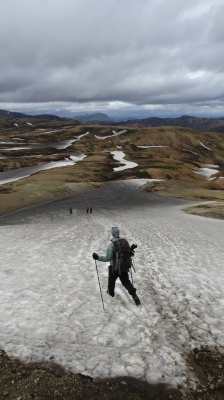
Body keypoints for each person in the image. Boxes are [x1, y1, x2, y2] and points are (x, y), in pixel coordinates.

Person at [92, 227, 140, 306]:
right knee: (126, 281)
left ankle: (111, 294)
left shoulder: (111, 245)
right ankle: (134, 295)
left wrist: (98, 257)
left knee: (111, 281)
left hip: (115, 268)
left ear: (112, 234)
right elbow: (129, 253)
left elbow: (108, 258)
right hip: (124, 267)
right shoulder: (125, 242)